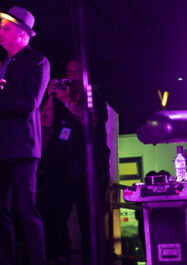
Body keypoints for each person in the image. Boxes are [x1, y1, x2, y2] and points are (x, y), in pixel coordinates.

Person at [0, 6, 50, 265]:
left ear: (23, 34)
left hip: (23, 148)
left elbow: (30, 102)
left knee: (27, 210)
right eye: (0, 28)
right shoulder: (5, 64)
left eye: (6, 29)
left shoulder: (37, 61)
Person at [40, 59, 110, 265]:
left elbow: (92, 121)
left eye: (76, 72)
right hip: (60, 168)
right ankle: (59, 256)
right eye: (68, 72)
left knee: (89, 220)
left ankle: (91, 259)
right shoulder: (60, 98)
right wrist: (51, 95)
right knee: (55, 215)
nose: (71, 76)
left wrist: (68, 102)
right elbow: (46, 122)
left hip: (88, 169)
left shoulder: (93, 97)